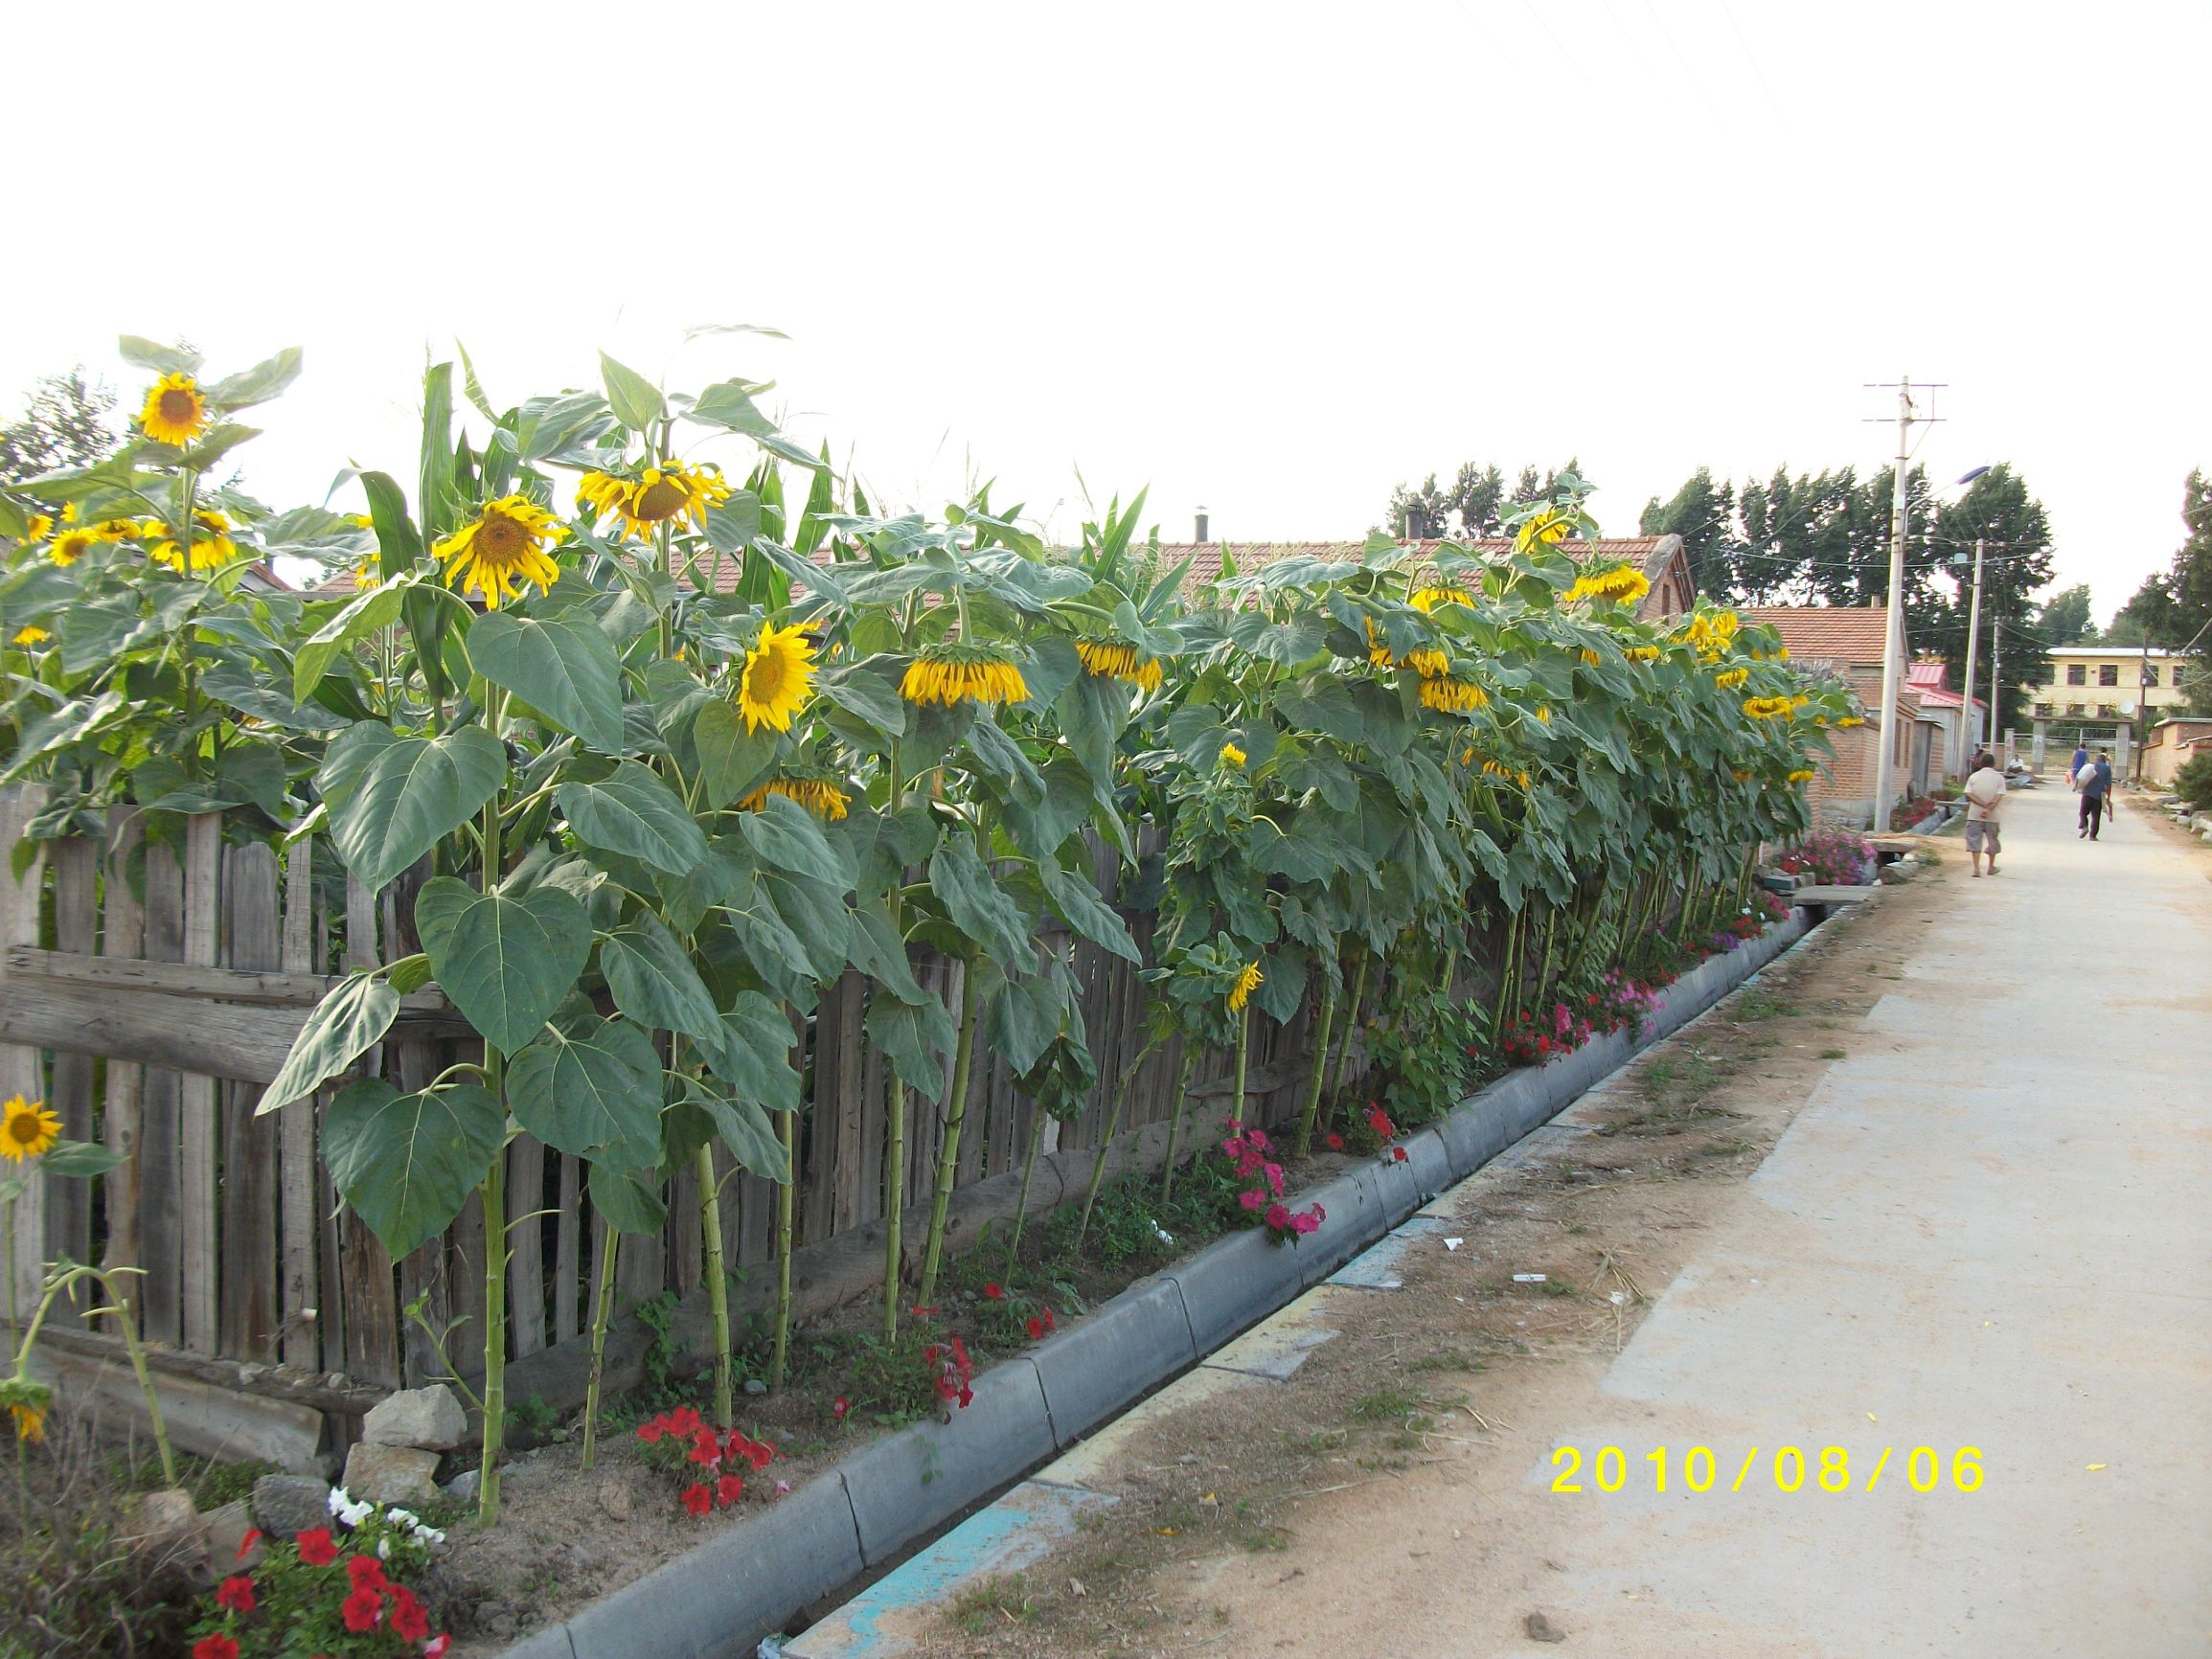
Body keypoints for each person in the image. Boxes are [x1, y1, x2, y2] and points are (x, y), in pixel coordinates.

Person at [1963, 754, 2007, 876]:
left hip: (1974, 814)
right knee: (1992, 841)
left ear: (1981, 763)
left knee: (1974, 841)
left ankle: (1976, 869)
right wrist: (1988, 808)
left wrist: (1982, 805)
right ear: (1994, 764)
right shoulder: (1999, 778)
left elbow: (1969, 794)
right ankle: (1990, 867)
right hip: (1992, 816)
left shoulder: (1973, 777)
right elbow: (1999, 796)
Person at [2078, 752, 2115, 839]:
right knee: (2096, 816)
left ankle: (2084, 826)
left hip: (2087, 793)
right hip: (2099, 796)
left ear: (2096, 759)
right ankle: (2092, 836)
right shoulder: (2106, 769)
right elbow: (2108, 785)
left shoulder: (2089, 766)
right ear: (2104, 760)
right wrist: (2108, 798)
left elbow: (2081, 778)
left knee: (2083, 813)